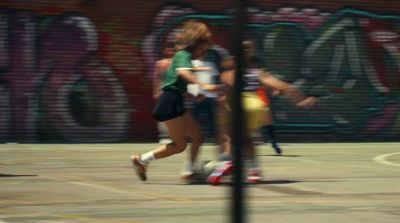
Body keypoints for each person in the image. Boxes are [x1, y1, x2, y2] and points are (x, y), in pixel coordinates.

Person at [207, 40, 317, 184]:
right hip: (254, 103)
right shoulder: (256, 71)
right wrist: (301, 100)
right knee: (248, 138)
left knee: (226, 135)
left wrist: (223, 101)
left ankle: (225, 162)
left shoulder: (228, 66)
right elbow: (282, 86)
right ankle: (254, 170)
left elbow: (229, 84)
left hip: (235, 101)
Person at [131, 20, 219, 182]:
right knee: (179, 145)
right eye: (206, 44)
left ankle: (189, 172)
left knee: (198, 137)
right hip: (170, 102)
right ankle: (142, 160)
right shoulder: (183, 55)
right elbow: (184, 74)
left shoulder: (184, 57)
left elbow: (176, 83)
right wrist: (204, 85)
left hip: (176, 100)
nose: (207, 48)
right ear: (197, 43)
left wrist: (194, 96)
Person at [153, 41, 175, 144]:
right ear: (164, 50)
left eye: (172, 50)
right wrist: (155, 91)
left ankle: (174, 135)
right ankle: (164, 135)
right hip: (163, 91)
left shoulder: (177, 63)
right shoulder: (159, 63)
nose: (170, 51)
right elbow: (157, 78)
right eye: (168, 49)